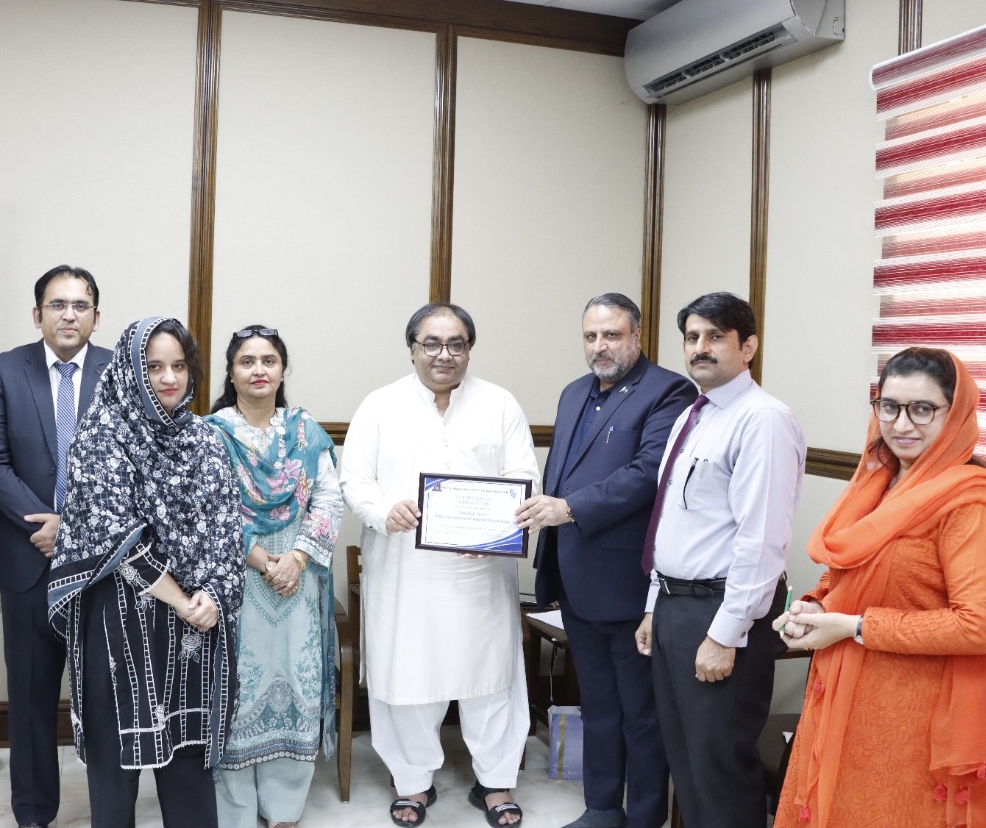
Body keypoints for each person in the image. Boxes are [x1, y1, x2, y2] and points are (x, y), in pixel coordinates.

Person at [773, 347, 986, 828]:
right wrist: (816, 606)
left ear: (955, 413)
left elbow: (982, 626)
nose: (901, 424)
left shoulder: (974, 503)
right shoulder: (882, 481)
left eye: (922, 409)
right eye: (890, 406)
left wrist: (854, 626)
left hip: (913, 721)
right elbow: (848, 568)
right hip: (843, 699)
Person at [339, 302, 540, 828]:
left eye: (456, 344)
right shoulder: (379, 405)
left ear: (469, 349)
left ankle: (496, 782)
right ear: (412, 349)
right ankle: (412, 783)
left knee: (491, 676)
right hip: (404, 570)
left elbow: (524, 476)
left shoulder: (500, 403)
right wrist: (385, 510)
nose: (443, 354)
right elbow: (354, 479)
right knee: (408, 674)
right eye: (431, 343)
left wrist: (494, 532)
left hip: (481, 573)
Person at [47, 317, 245, 828]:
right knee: (116, 773)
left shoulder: (205, 438)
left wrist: (213, 596)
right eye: (154, 367)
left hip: (193, 626)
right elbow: (115, 537)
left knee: (190, 766)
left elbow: (227, 528)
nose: (169, 378)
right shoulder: (101, 434)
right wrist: (182, 599)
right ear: (130, 371)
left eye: (179, 366)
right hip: (119, 624)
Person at [519, 294, 696, 828]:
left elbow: (648, 474)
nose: (600, 346)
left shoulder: (668, 391)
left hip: (628, 583)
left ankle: (643, 817)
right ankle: (600, 808)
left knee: (640, 713)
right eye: (591, 336)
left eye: (612, 335)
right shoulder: (574, 392)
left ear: (637, 336)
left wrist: (568, 508)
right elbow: (559, 472)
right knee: (596, 704)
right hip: (574, 576)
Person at [633, 291, 805, 828]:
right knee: (686, 761)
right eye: (691, 337)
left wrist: (727, 634)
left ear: (747, 347)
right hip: (676, 607)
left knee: (719, 767)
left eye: (715, 336)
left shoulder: (763, 420)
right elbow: (674, 521)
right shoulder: (693, 415)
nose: (700, 347)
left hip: (722, 612)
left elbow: (761, 541)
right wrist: (654, 605)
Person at [0, 264, 112, 828]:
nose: (69, 315)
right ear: (38, 314)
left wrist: (73, 527)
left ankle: (110, 809)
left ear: (96, 316)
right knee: (30, 695)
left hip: (103, 564)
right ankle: (33, 813)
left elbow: (130, 465)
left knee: (104, 694)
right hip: (27, 557)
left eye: (80, 305)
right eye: (57, 305)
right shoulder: (4, 370)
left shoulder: (121, 373)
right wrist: (45, 523)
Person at [205, 324, 343, 828]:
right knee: (236, 691)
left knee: (297, 684)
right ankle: (235, 810)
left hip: (298, 579)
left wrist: (297, 558)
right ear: (231, 372)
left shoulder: (306, 433)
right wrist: (265, 561)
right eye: (247, 361)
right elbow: (206, 511)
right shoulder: (210, 435)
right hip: (236, 578)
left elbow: (329, 498)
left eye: (269, 360)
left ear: (283, 370)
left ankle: (284, 807)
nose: (258, 370)